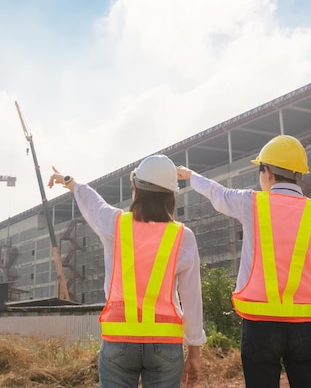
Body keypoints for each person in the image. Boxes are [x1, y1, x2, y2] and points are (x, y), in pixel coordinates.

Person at [177, 135, 311, 388]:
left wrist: (192, 176)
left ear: (266, 171)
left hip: (259, 327)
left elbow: (218, 193)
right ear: (298, 175)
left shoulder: (252, 203)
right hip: (304, 327)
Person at [48, 155, 206, 388]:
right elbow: (192, 299)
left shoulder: (114, 224)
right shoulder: (184, 237)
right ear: (171, 196)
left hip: (118, 341)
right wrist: (194, 351)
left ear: (135, 189)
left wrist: (71, 182)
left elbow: (93, 203)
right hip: (165, 344)